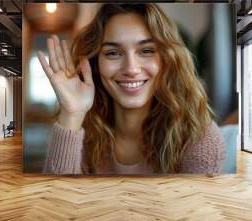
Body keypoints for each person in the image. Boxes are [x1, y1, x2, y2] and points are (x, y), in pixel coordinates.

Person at [37, 3, 225, 175]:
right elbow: (58, 205)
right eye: (113, 53)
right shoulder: (80, 131)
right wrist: (72, 114)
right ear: (96, 64)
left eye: (146, 51)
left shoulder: (199, 135)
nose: (131, 69)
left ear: (167, 60)